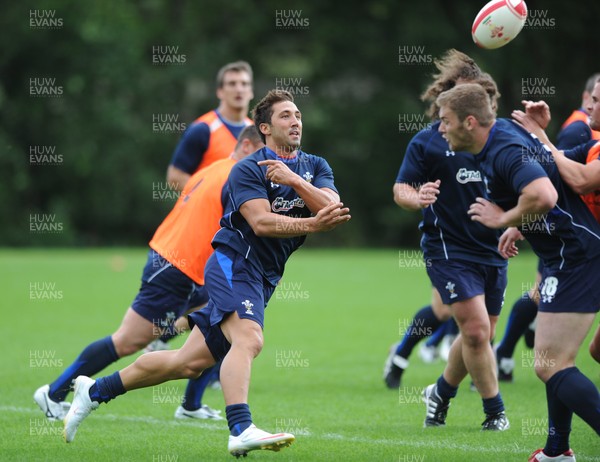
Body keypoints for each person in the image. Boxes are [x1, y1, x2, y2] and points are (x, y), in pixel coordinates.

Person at [61, 90, 351, 458]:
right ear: (263, 128)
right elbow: (261, 223)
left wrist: (295, 181)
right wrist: (314, 221)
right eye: (285, 116)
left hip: (263, 277)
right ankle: (241, 428)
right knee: (249, 339)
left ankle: (95, 390)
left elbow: (333, 208)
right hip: (233, 263)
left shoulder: (315, 165)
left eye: (297, 115)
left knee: (189, 362)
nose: (296, 121)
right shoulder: (247, 168)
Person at [34, 125, 264, 422]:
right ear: (246, 146)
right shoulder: (235, 176)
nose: (265, 163)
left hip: (190, 268)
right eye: (262, 154)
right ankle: (53, 393)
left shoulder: (217, 167)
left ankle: (191, 405)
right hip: (175, 267)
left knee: (220, 324)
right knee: (127, 341)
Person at [436, 83, 600, 462]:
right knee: (556, 361)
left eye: (445, 121)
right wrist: (520, 223)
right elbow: (547, 180)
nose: (441, 129)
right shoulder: (499, 142)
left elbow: (545, 195)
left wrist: (504, 217)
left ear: (470, 122)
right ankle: (557, 450)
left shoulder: (503, 149)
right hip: (567, 255)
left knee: (550, 363)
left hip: (576, 255)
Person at [384, 51, 506, 413]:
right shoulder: (429, 141)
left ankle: (438, 389)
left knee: (482, 335)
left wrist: (515, 220)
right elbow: (400, 189)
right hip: (448, 249)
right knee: (466, 326)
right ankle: (493, 409)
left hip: (492, 249)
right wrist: (417, 197)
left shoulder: (500, 139)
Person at [495, 72, 600, 382]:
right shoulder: (591, 144)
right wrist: (524, 221)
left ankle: (503, 352)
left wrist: (540, 137)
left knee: (552, 360)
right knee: (583, 354)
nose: (587, 107)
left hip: (583, 252)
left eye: (594, 101)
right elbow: (555, 168)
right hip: (586, 251)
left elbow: (581, 181)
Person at [166, 60, 254, 192]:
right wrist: (209, 195)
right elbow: (175, 177)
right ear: (220, 92)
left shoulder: (256, 132)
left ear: (251, 92)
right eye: (232, 84)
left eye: (244, 84)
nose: (239, 89)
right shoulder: (203, 129)